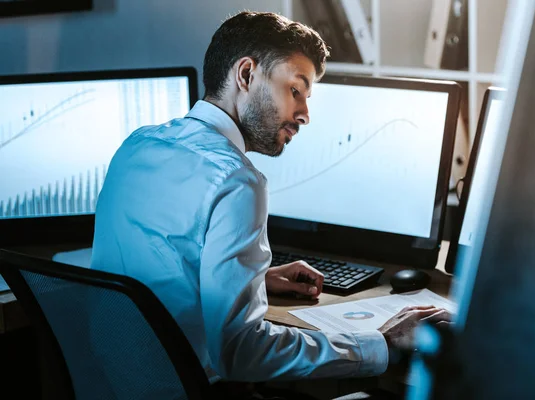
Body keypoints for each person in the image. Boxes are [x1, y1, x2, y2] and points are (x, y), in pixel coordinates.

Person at [91, 10, 450, 398]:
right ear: (245, 75)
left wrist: (255, 278)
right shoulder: (235, 180)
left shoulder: (137, 145)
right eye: (296, 90)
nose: (305, 115)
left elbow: (154, 269)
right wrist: (381, 343)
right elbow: (241, 353)